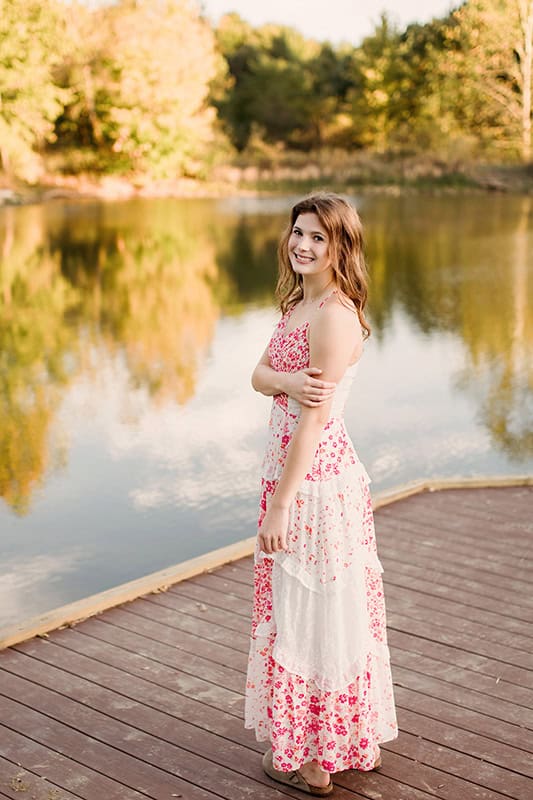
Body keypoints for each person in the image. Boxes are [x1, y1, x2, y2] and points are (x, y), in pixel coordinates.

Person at [244, 192, 398, 796]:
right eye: (298, 233)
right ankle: (334, 739)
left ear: (341, 246)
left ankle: (318, 758)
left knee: (317, 608)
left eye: (318, 237)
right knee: (301, 606)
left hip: (313, 485)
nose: (303, 245)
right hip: (289, 475)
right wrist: (283, 380)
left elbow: (313, 421)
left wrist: (281, 503)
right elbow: (259, 376)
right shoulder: (298, 305)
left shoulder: (334, 315)